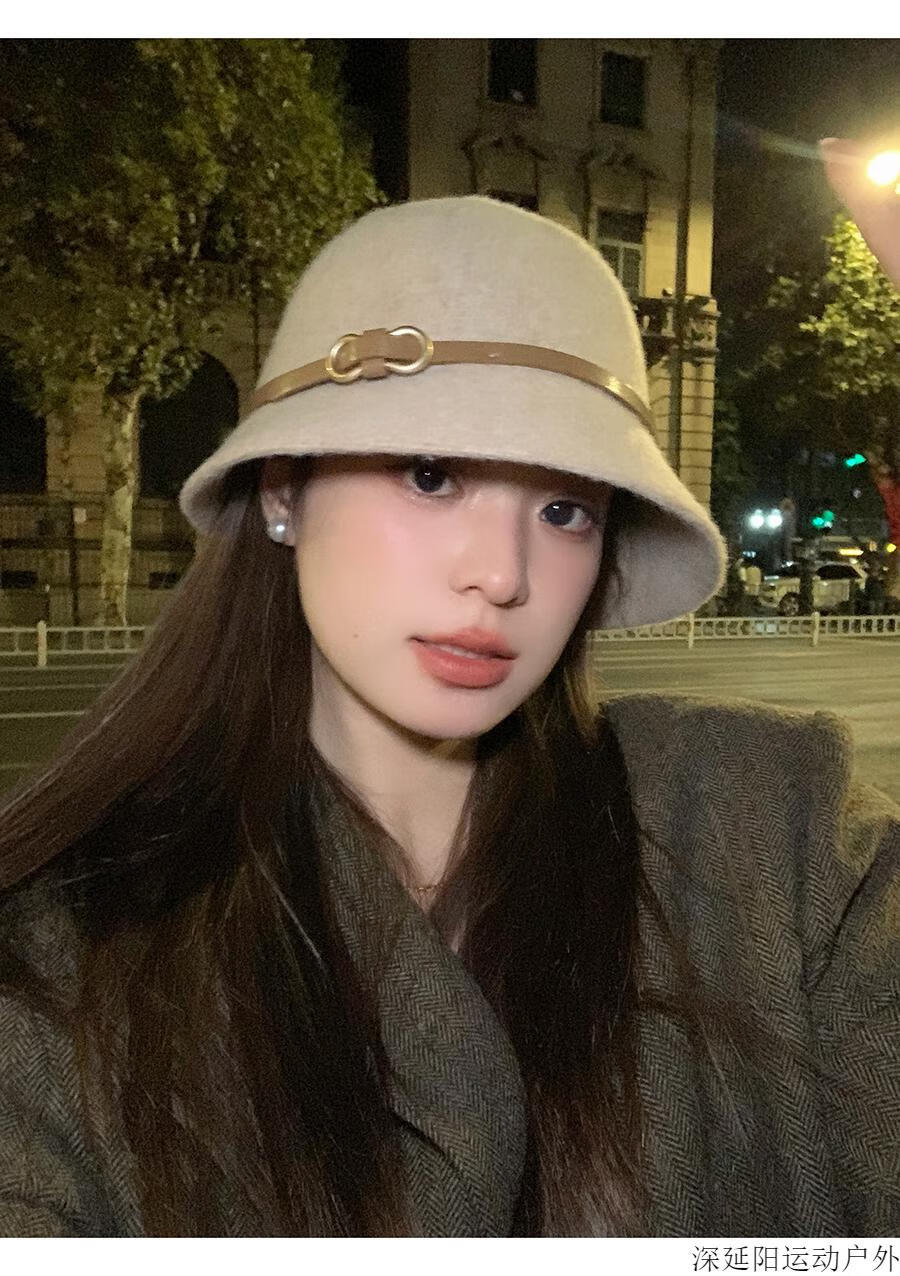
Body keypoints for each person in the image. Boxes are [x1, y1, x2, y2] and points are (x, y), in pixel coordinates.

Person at [0, 151, 897, 1239]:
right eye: (432, 473)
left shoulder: (769, 833)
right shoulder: (68, 955)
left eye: (566, 510)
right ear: (284, 491)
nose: (504, 575)